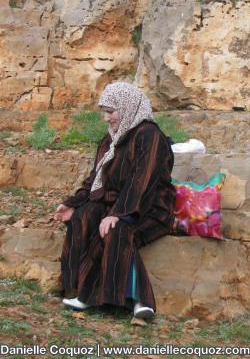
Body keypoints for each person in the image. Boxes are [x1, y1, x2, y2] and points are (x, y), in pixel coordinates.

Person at [54, 82, 176, 319]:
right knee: (84, 216)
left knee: (116, 231)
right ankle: (80, 288)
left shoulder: (149, 135)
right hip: (117, 204)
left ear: (128, 107)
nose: (106, 118)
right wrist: (74, 203)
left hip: (148, 208)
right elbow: (95, 178)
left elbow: (143, 182)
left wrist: (119, 214)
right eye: (104, 112)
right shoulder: (110, 139)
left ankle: (140, 302)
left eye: (111, 111)